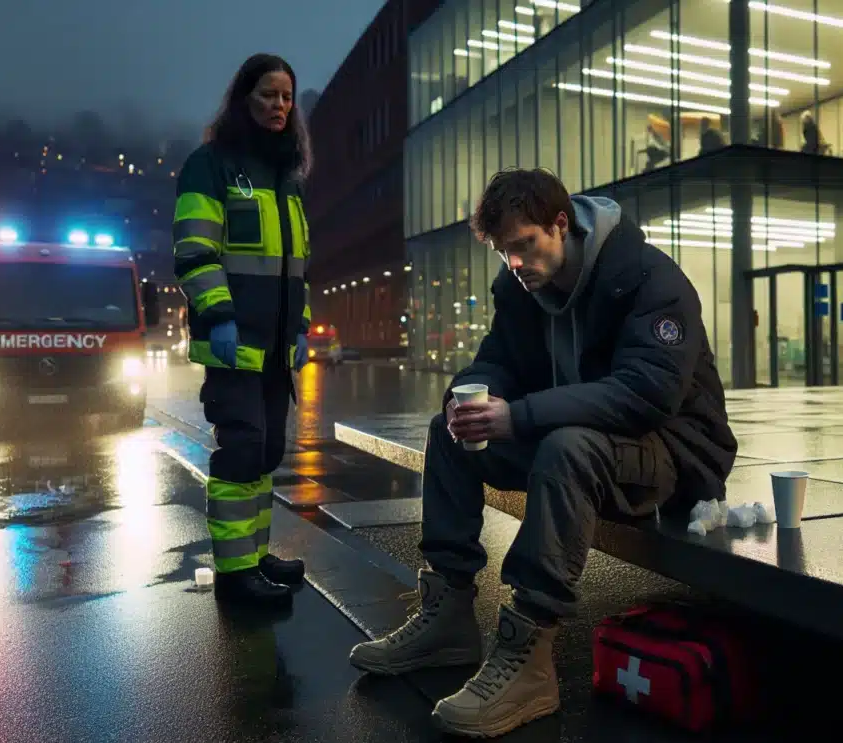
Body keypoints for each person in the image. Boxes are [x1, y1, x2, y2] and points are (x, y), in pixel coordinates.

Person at [349, 168, 738, 737]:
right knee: (449, 434)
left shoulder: (648, 279)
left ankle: (528, 658)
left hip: (674, 454)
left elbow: (647, 394)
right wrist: (467, 397)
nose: (515, 262)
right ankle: (446, 616)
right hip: (582, 439)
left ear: (561, 224)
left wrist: (520, 416)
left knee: (567, 445)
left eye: (525, 245)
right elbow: (497, 360)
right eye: (504, 251)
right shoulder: (521, 288)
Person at [172, 53, 315, 609]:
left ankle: (254, 556)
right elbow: (195, 251)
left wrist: (300, 328)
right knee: (241, 450)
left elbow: (297, 269)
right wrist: (220, 317)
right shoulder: (210, 166)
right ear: (243, 100)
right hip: (233, 343)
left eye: (286, 97)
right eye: (268, 95)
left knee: (266, 451)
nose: (279, 106)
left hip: (276, 348)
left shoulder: (285, 178)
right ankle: (235, 576)